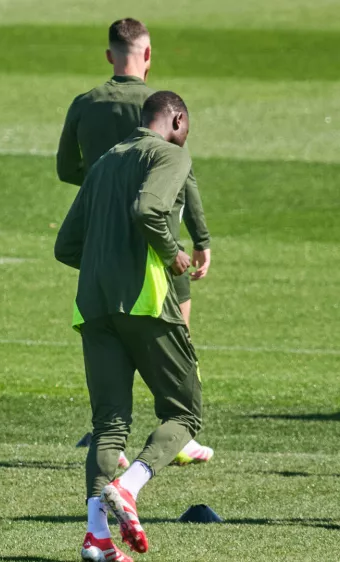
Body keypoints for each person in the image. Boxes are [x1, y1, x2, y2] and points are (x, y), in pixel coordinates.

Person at [56, 17, 213, 467]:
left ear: (110, 55)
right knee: (174, 338)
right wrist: (200, 238)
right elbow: (186, 176)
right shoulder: (160, 107)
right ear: (148, 54)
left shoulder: (85, 103)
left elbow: (67, 169)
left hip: (102, 242)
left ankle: (113, 443)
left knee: (111, 347)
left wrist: (103, 185)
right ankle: (177, 432)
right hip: (159, 245)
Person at [55, 91, 203, 562]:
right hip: (144, 304)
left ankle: (96, 539)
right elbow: (148, 210)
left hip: (93, 307)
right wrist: (172, 252)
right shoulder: (170, 154)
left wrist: (107, 261)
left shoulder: (102, 163)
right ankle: (130, 485)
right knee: (184, 411)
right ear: (176, 119)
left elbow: (65, 246)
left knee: (109, 425)